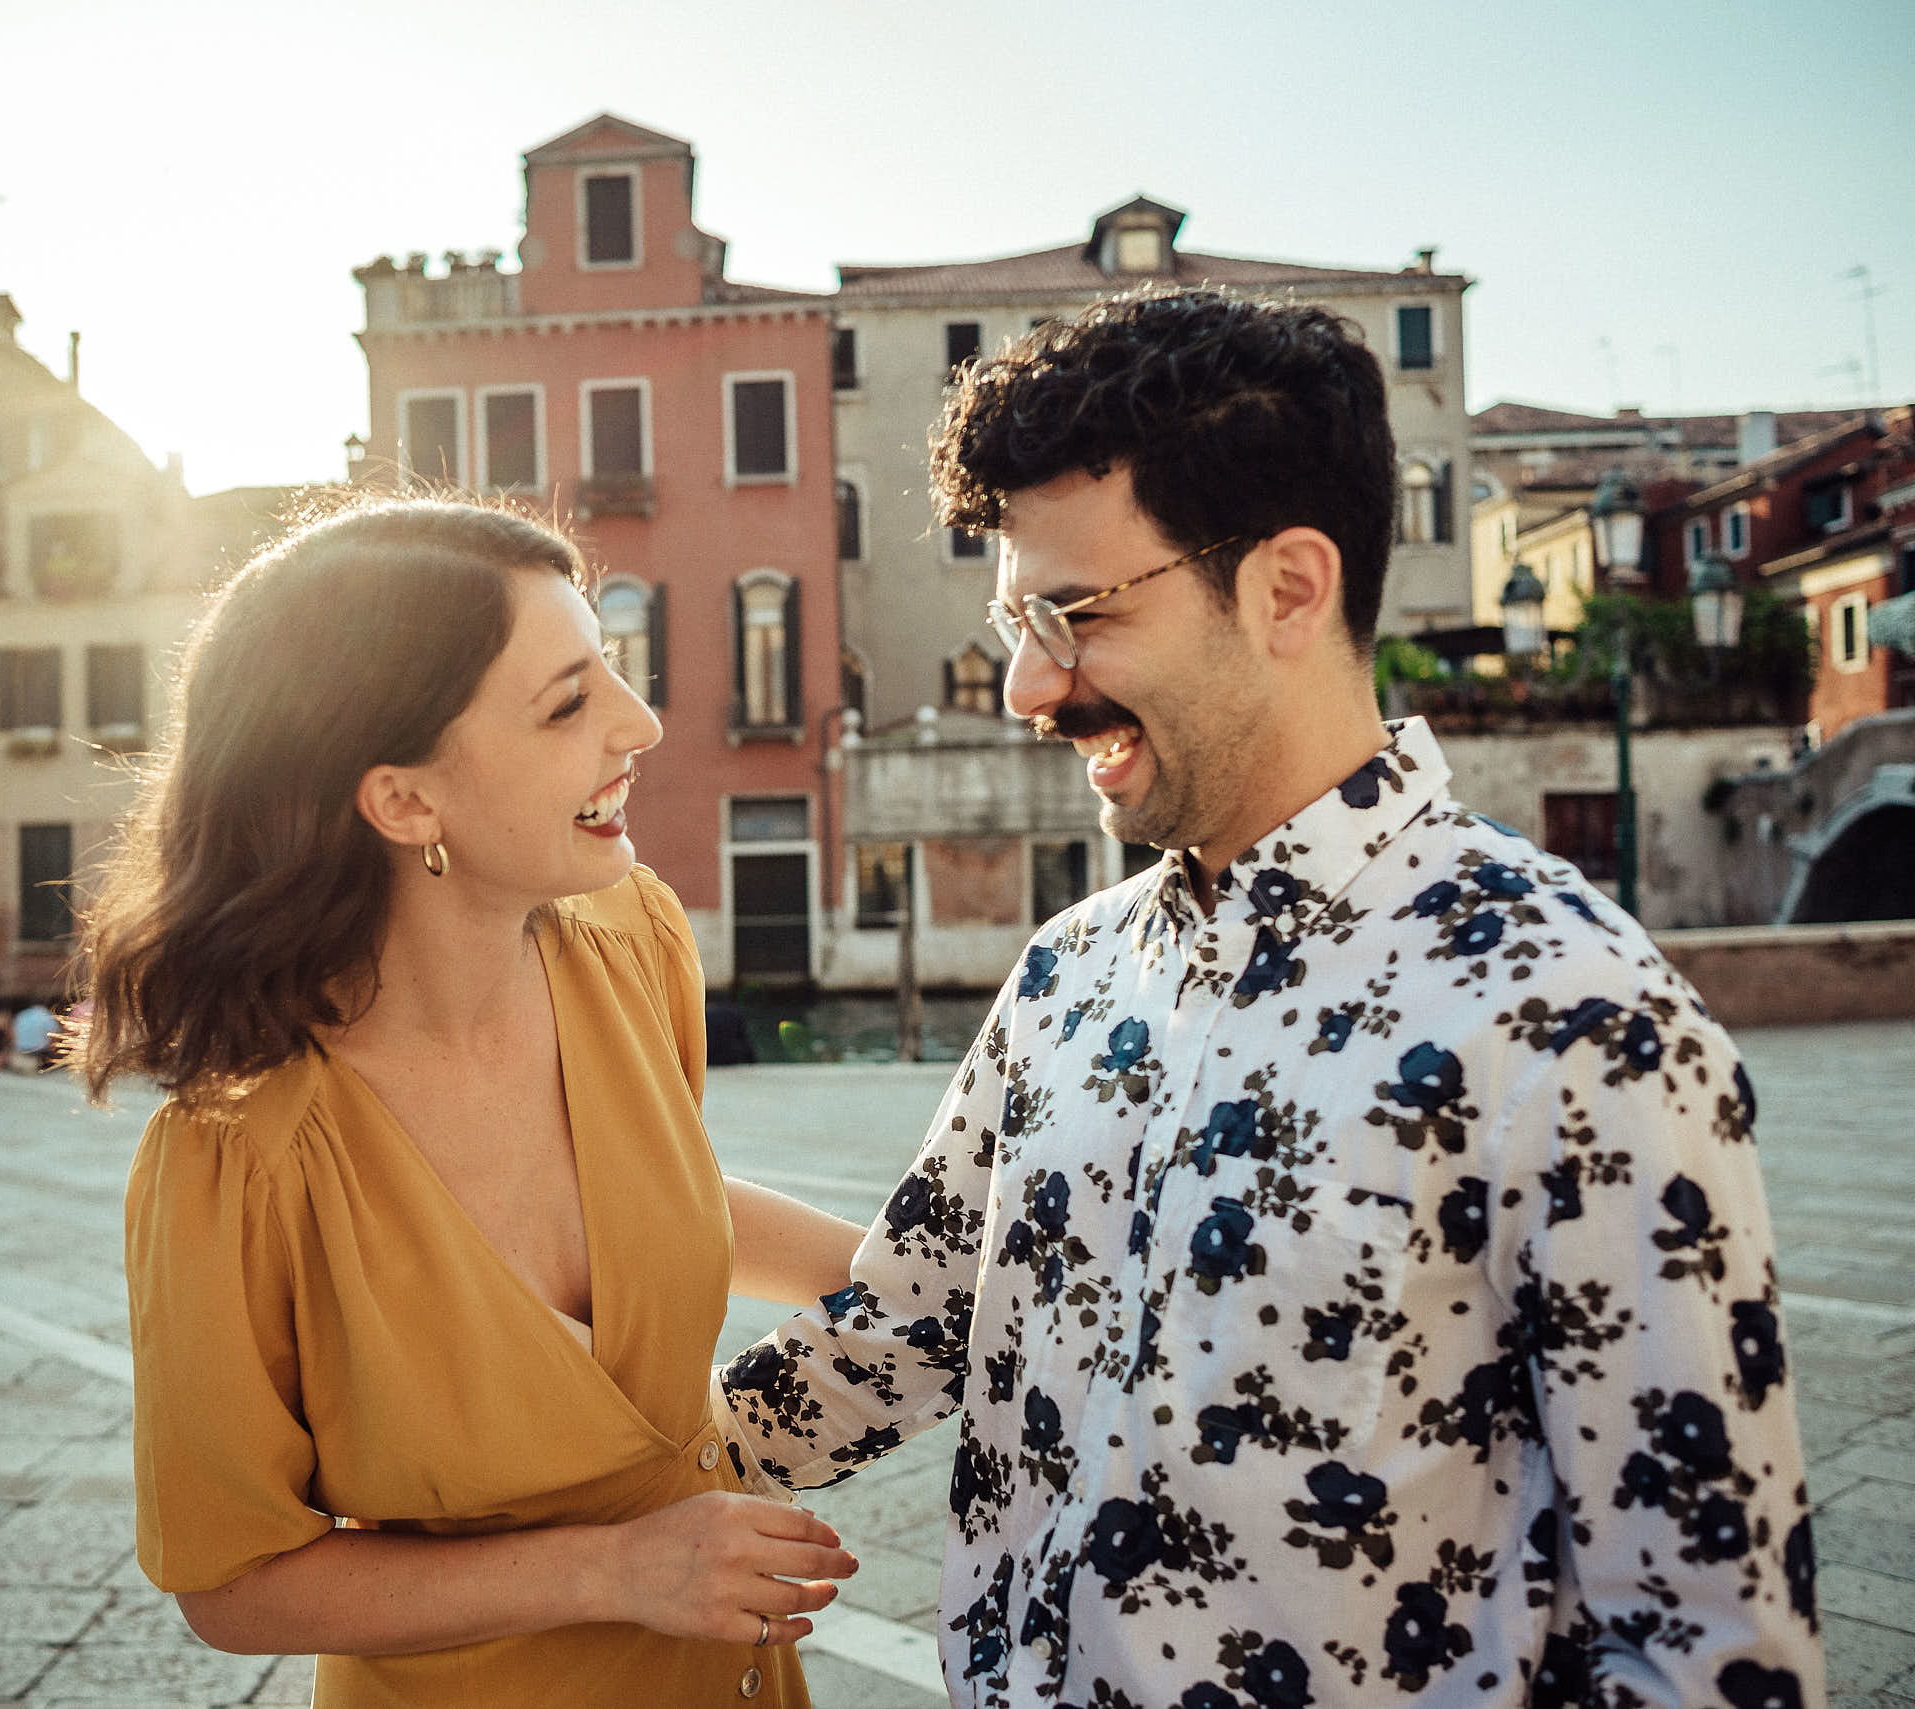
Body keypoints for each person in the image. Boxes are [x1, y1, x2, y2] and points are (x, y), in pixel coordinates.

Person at [716, 289, 1821, 1708]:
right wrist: (552, 1498)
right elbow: (909, 1327)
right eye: (1015, 621)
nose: (1026, 686)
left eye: (1073, 612)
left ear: (1290, 588)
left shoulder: (1576, 1018)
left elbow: (1707, 1650)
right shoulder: (1070, 971)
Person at [68, 499, 865, 1708]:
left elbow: (658, 1191)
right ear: (403, 802)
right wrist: (612, 1568)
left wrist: (930, 1287)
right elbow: (232, 1585)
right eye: (565, 703)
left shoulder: (631, 934)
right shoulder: (240, 1158)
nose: (640, 725)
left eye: (613, 673)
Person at [9, 998, 61, 1073]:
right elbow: (55, 1035)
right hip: (39, 1055)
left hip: (21, 1051)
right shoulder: (47, 1016)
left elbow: (12, 1035)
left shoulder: (21, 1015)